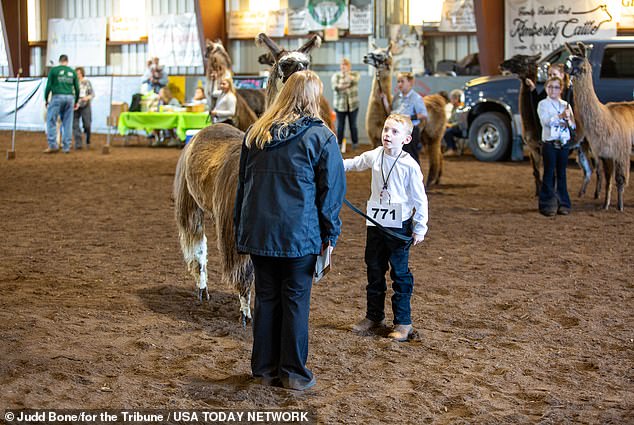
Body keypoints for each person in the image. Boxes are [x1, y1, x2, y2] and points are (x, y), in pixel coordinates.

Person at [234, 70, 345, 391]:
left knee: (266, 299)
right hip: (300, 237)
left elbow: (242, 187)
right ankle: (293, 373)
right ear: (314, 98)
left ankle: (264, 370)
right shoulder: (321, 137)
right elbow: (331, 195)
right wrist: (330, 236)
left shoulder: (255, 134)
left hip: (260, 235)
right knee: (295, 302)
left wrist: (241, 231)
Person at [344, 113, 428, 342]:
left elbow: (420, 199)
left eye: (394, 132)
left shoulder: (410, 166)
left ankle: (403, 323)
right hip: (375, 224)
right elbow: (355, 162)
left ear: (406, 140)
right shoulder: (375, 155)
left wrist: (420, 227)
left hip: (399, 228)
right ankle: (374, 317)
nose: (387, 134)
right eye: (386, 129)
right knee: (374, 270)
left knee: (400, 274)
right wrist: (333, 164)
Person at [537, 76, 575, 216]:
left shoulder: (565, 105)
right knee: (548, 173)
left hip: (563, 143)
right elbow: (545, 122)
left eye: (556, 87)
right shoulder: (543, 104)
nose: (553, 90)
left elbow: (573, 125)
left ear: (561, 90)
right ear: (547, 88)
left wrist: (568, 120)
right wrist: (559, 117)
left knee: (562, 174)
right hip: (550, 143)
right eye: (550, 87)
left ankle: (563, 203)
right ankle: (547, 204)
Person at [44, 54, 79, 154]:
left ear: (59, 61)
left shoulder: (54, 71)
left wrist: (46, 99)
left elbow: (48, 86)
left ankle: (53, 145)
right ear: (67, 61)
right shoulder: (72, 72)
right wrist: (75, 101)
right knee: (67, 123)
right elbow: (77, 88)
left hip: (57, 97)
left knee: (51, 120)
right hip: (70, 98)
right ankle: (66, 147)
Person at [390, 72, 428, 164]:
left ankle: (416, 177)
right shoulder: (396, 97)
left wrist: (410, 117)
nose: (399, 84)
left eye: (402, 81)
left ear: (410, 82)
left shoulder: (416, 98)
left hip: (410, 131)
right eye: (398, 81)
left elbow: (424, 114)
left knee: (411, 156)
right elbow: (392, 110)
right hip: (396, 130)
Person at [331, 58, 360, 149]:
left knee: (353, 125)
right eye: (342, 64)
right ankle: (339, 144)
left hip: (353, 105)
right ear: (340, 66)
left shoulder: (355, 74)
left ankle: (355, 143)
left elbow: (354, 80)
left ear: (349, 66)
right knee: (340, 125)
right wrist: (347, 84)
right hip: (340, 106)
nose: (344, 66)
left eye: (346, 64)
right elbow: (336, 87)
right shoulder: (336, 76)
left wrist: (345, 79)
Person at [72, 67, 94, 150]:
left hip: (85, 105)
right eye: (76, 73)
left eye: (79, 73)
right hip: (75, 105)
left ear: (82, 74)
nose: (78, 75)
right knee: (75, 125)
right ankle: (78, 143)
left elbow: (92, 94)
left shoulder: (87, 82)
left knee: (87, 124)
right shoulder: (72, 83)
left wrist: (87, 97)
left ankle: (88, 139)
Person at [442, 89, 464, 157]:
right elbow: (451, 119)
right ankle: (451, 148)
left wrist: (450, 125)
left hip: (461, 128)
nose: (450, 100)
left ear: (456, 99)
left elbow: (462, 122)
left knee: (447, 131)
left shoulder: (462, 108)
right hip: (455, 127)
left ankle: (452, 149)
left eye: (452, 98)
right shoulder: (454, 108)